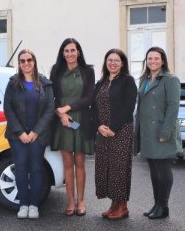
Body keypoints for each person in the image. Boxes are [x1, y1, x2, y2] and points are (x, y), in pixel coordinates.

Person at [3, 49, 54, 219]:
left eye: (29, 60)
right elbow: (8, 109)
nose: (26, 63)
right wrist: (20, 132)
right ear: (19, 64)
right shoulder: (13, 83)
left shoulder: (45, 84)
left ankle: (34, 205)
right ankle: (23, 204)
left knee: (37, 169)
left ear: (34, 61)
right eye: (22, 61)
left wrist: (35, 132)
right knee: (21, 169)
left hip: (38, 136)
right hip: (17, 136)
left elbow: (50, 109)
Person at [50, 38, 95, 216]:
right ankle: (70, 201)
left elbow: (89, 97)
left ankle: (81, 201)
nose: (70, 54)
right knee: (67, 163)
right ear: (63, 53)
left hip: (81, 119)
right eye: (66, 51)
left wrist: (67, 108)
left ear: (79, 52)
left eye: (73, 50)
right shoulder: (56, 70)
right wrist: (60, 114)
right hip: (62, 121)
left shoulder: (88, 71)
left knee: (80, 163)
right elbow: (50, 97)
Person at [135, 47, 180, 219]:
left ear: (162, 61)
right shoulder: (143, 79)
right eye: (149, 58)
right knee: (153, 169)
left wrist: (166, 131)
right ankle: (157, 204)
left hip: (162, 132)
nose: (152, 61)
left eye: (156, 58)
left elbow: (173, 107)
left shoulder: (170, 80)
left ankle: (164, 206)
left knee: (163, 169)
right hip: (148, 132)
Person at [91, 49, 137, 220]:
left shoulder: (127, 81)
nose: (112, 63)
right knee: (106, 168)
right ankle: (113, 204)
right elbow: (93, 108)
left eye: (116, 60)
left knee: (119, 169)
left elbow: (128, 107)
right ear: (106, 62)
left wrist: (113, 128)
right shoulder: (101, 82)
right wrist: (98, 126)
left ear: (122, 63)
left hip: (121, 131)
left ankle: (123, 206)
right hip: (102, 132)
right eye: (109, 60)